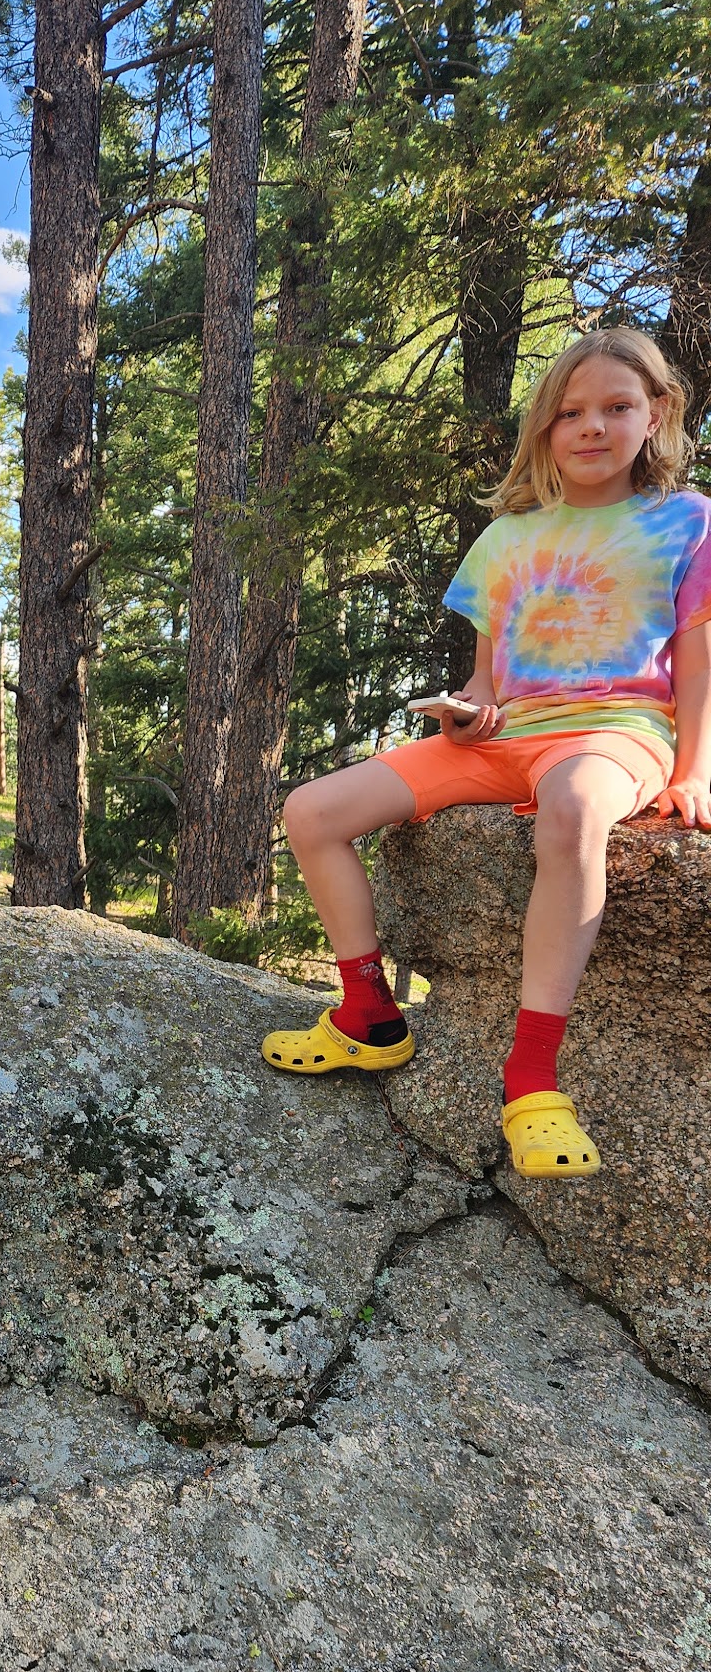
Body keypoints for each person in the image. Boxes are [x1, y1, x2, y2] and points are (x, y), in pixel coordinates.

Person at [261, 327, 711, 1177]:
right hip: (508, 736)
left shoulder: (687, 522)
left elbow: (697, 656)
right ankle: (368, 1015)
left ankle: (532, 1081)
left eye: (617, 407)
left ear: (655, 415)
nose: (593, 427)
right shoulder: (507, 539)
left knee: (575, 812)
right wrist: (466, 715)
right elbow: (486, 679)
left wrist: (694, 769)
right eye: (571, 412)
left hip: (617, 733)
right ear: (545, 430)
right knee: (311, 811)